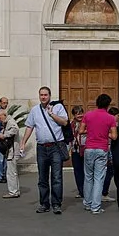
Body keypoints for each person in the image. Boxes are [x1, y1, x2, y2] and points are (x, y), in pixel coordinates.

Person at [20, 86, 70, 215]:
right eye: (41, 95)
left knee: (56, 177)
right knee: (42, 178)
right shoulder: (35, 110)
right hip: (42, 147)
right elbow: (29, 126)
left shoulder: (57, 107)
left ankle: (56, 204)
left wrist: (51, 114)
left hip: (56, 147)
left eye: (45, 95)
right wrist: (23, 142)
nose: (43, 97)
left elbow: (64, 122)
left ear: (50, 96)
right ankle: (44, 203)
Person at [81, 94, 118, 213]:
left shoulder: (88, 115)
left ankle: (87, 202)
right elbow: (114, 136)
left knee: (88, 177)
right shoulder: (110, 118)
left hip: (89, 148)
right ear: (108, 105)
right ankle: (95, 207)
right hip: (102, 149)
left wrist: (91, 131)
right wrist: (105, 133)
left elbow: (81, 131)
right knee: (98, 178)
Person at [0, 108, 21, 198]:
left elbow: (15, 130)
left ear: (4, 115)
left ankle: (13, 192)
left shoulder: (10, 122)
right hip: (11, 151)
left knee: (11, 172)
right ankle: (15, 190)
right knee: (12, 172)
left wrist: (4, 135)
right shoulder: (7, 122)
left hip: (12, 151)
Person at [101, 105, 119, 201]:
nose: (118, 117)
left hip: (109, 148)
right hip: (108, 149)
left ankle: (104, 192)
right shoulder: (110, 124)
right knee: (109, 172)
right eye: (117, 115)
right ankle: (104, 192)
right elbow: (113, 137)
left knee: (110, 172)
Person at [69, 105, 87, 199]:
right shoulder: (71, 124)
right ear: (74, 115)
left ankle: (87, 190)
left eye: (81, 113)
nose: (79, 115)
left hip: (85, 149)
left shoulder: (87, 122)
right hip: (75, 150)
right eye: (77, 114)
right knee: (77, 171)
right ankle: (81, 191)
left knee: (86, 171)